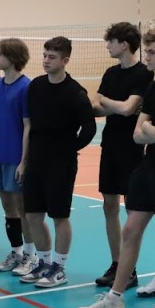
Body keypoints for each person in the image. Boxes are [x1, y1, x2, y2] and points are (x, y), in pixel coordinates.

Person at [77, 26, 155, 308]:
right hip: (147, 167)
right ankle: (114, 300)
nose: (147, 57)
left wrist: (151, 130)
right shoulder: (154, 87)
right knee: (130, 230)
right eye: (147, 51)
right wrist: (152, 130)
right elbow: (140, 134)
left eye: (152, 52)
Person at [19, 36, 96, 288]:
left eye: (52, 57)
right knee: (32, 215)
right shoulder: (36, 86)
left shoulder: (75, 92)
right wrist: (24, 160)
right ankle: (43, 263)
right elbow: (29, 125)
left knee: (59, 216)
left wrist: (69, 148)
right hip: (36, 160)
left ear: (65, 60)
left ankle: (59, 268)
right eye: (44, 55)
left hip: (61, 164)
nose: (46, 60)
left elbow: (89, 127)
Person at [92, 22, 152, 289]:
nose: (107, 46)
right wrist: (117, 106)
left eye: (111, 41)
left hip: (132, 147)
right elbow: (96, 106)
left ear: (124, 44)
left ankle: (130, 270)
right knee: (109, 205)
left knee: (131, 210)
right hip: (110, 145)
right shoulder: (110, 72)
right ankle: (117, 264)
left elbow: (129, 109)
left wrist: (110, 103)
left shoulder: (143, 73)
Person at [0, 38, 36, 273]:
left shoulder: (26, 87)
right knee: (7, 207)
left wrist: (24, 160)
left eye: (0, 54)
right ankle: (16, 252)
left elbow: (28, 126)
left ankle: (31, 255)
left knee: (21, 207)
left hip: (16, 157)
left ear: (13, 57)